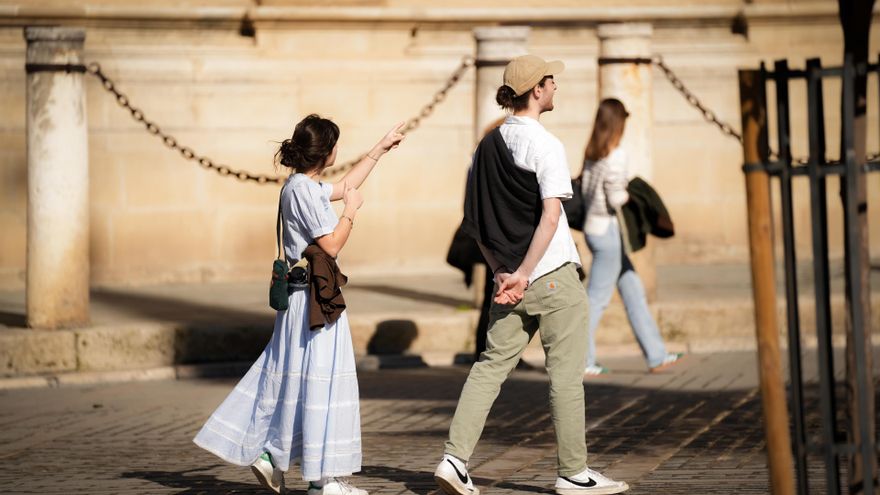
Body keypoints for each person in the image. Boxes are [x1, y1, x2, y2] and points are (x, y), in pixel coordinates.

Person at [434, 55, 629, 495]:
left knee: (488, 369)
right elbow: (550, 216)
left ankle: (453, 459)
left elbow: (476, 221)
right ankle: (573, 473)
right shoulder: (547, 145)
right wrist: (524, 272)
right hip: (553, 275)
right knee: (565, 377)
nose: (556, 85)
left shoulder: (486, 146)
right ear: (536, 90)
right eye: (551, 80)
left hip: (508, 283)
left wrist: (504, 272)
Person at [194, 114, 405, 495]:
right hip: (315, 302)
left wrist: (380, 149)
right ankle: (319, 479)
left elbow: (343, 185)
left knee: (293, 381)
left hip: (298, 299)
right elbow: (333, 244)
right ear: (326, 152)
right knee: (322, 383)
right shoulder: (305, 192)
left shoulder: (297, 185)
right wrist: (352, 211)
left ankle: (282, 462)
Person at [579, 98, 682, 376]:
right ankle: (582, 360)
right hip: (608, 233)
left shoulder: (592, 152)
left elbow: (588, 191)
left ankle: (657, 355)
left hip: (595, 229)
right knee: (595, 300)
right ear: (618, 124)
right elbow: (615, 198)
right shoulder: (616, 154)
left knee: (634, 292)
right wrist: (630, 191)